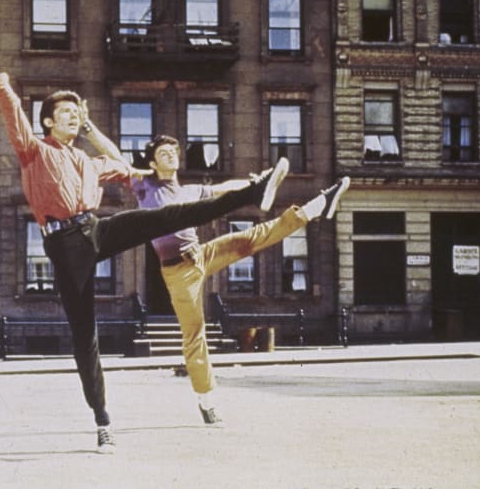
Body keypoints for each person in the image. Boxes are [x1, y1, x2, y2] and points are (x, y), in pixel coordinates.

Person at [0, 29, 288, 454]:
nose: (73, 116)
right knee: (84, 334)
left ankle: (254, 194)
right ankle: (102, 419)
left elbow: (128, 168)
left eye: (77, 111)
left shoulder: (91, 164)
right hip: (65, 245)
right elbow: (8, 101)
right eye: (66, 112)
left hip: (95, 230)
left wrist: (163, 168)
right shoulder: (34, 150)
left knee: (164, 214)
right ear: (49, 120)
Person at [104, 134, 350, 425]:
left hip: (200, 254)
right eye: (164, 151)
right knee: (194, 334)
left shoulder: (191, 191)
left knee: (250, 239)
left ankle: (316, 207)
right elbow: (113, 154)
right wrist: (87, 128)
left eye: (174, 150)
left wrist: (251, 185)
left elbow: (223, 189)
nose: (171, 154)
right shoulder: (144, 186)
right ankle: (206, 401)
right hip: (178, 273)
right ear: (153, 160)